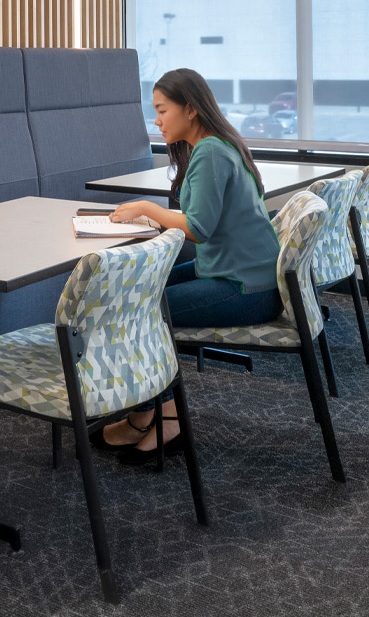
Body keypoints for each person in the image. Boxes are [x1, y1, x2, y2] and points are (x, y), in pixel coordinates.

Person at [96, 67, 280, 463]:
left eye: (162, 110)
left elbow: (197, 228)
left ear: (191, 109)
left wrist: (147, 209)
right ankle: (146, 412)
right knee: (137, 296)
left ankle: (167, 416)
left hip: (245, 287)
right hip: (240, 273)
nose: (157, 121)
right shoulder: (218, 145)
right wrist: (157, 217)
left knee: (139, 309)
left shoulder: (210, 151)